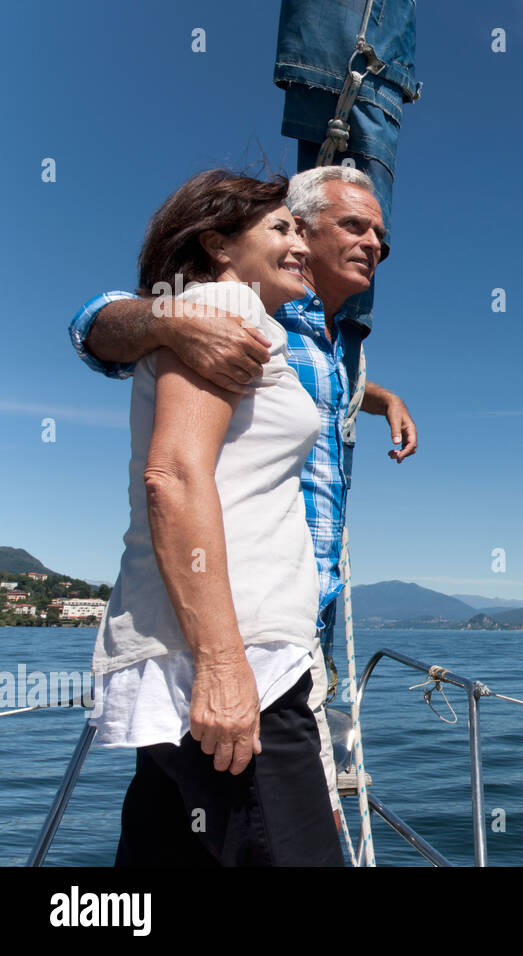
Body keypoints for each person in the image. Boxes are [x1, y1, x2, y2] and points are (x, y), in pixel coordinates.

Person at [68, 165, 419, 827]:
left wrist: (384, 399)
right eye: (352, 226)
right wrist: (169, 315)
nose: (375, 243)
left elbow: (311, 392)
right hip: (240, 642)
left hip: (283, 630)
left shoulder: (333, 345)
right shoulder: (233, 309)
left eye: (382, 236)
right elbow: (96, 329)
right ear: (301, 234)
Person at [90, 169, 342, 865]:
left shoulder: (222, 314)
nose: (302, 244)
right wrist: (225, 668)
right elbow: (173, 477)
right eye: (283, 229)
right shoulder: (227, 305)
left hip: (198, 657)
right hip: (240, 664)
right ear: (219, 246)